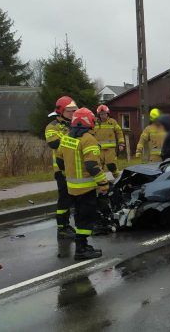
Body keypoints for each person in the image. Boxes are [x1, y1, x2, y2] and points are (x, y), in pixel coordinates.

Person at [56, 108, 108, 260]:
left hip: (72, 188)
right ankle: (81, 249)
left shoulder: (66, 137)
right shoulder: (88, 139)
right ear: (88, 121)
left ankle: (82, 245)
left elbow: (59, 161)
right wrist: (103, 183)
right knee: (86, 219)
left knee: (79, 217)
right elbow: (92, 165)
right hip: (86, 189)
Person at [45, 96, 78, 239]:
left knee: (74, 199)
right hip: (61, 169)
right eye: (69, 111)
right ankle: (62, 228)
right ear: (61, 111)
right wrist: (74, 136)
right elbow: (54, 144)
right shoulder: (52, 126)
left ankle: (70, 225)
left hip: (75, 167)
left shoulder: (75, 125)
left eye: (74, 110)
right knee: (64, 199)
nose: (72, 113)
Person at [93, 105, 125, 179]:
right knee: (98, 167)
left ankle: (118, 180)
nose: (102, 116)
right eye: (101, 114)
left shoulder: (112, 122)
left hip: (110, 149)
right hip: (98, 149)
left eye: (104, 114)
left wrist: (121, 144)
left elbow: (119, 132)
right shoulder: (95, 122)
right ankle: (101, 182)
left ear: (107, 113)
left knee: (111, 165)